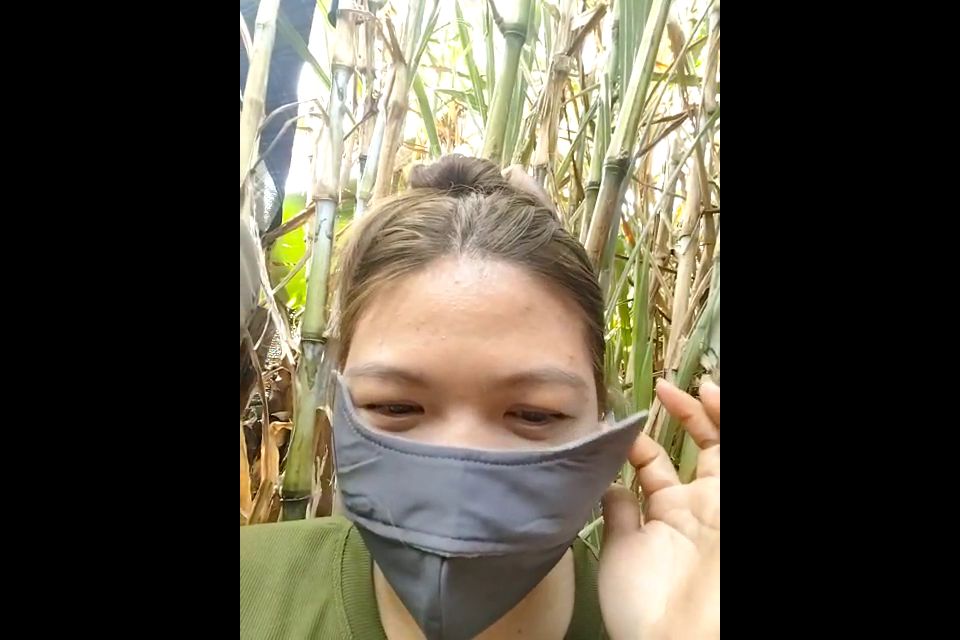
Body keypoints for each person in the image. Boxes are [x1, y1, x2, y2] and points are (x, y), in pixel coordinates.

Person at [240, 155, 720, 639]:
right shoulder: (251, 590)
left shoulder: (682, 608)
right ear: (338, 404)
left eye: (534, 413)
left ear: (603, 422)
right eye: (395, 407)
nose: (460, 462)